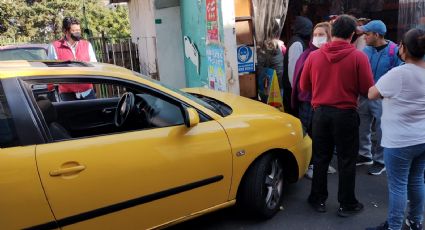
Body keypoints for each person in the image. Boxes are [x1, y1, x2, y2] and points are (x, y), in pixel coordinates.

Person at [300, 15, 374, 216]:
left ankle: (317, 199)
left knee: (321, 158)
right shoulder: (359, 57)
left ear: (332, 34)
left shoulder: (314, 56)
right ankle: (347, 204)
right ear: (352, 34)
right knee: (347, 160)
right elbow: (367, 89)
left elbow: (303, 86)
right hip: (346, 114)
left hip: (320, 114)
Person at [366, 28, 425, 230]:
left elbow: (372, 93)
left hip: (399, 141)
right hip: (422, 138)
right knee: (417, 180)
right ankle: (415, 221)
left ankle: (394, 226)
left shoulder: (399, 73)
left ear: (404, 48)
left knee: (398, 185)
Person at [356, 20, 402, 176]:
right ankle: (364, 154)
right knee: (363, 126)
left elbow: (399, 75)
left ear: (376, 35)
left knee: (382, 129)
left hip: (383, 98)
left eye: (367, 34)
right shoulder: (365, 50)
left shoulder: (394, 51)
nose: (364, 37)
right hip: (364, 96)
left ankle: (380, 160)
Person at [291, 22, 336, 179]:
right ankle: (309, 164)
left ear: (330, 36)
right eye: (315, 35)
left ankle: (318, 163)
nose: (318, 38)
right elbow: (299, 81)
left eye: (321, 35)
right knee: (310, 134)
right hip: (308, 102)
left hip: (326, 103)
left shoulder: (332, 55)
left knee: (324, 135)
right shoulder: (308, 54)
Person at [47, 17, 97, 101]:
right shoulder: (55, 47)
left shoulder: (87, 45)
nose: (77, 33)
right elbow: (50, 71)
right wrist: (51, 91)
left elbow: (94, 66)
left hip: (88, 92)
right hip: (66, 95)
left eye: (79, 30)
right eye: (74, 31)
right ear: (65, 31)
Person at [282, 15, 313, 115]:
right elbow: (293, 71)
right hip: (292, 91)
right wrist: (296, 91)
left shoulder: (299, 41)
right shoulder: (297, 44)